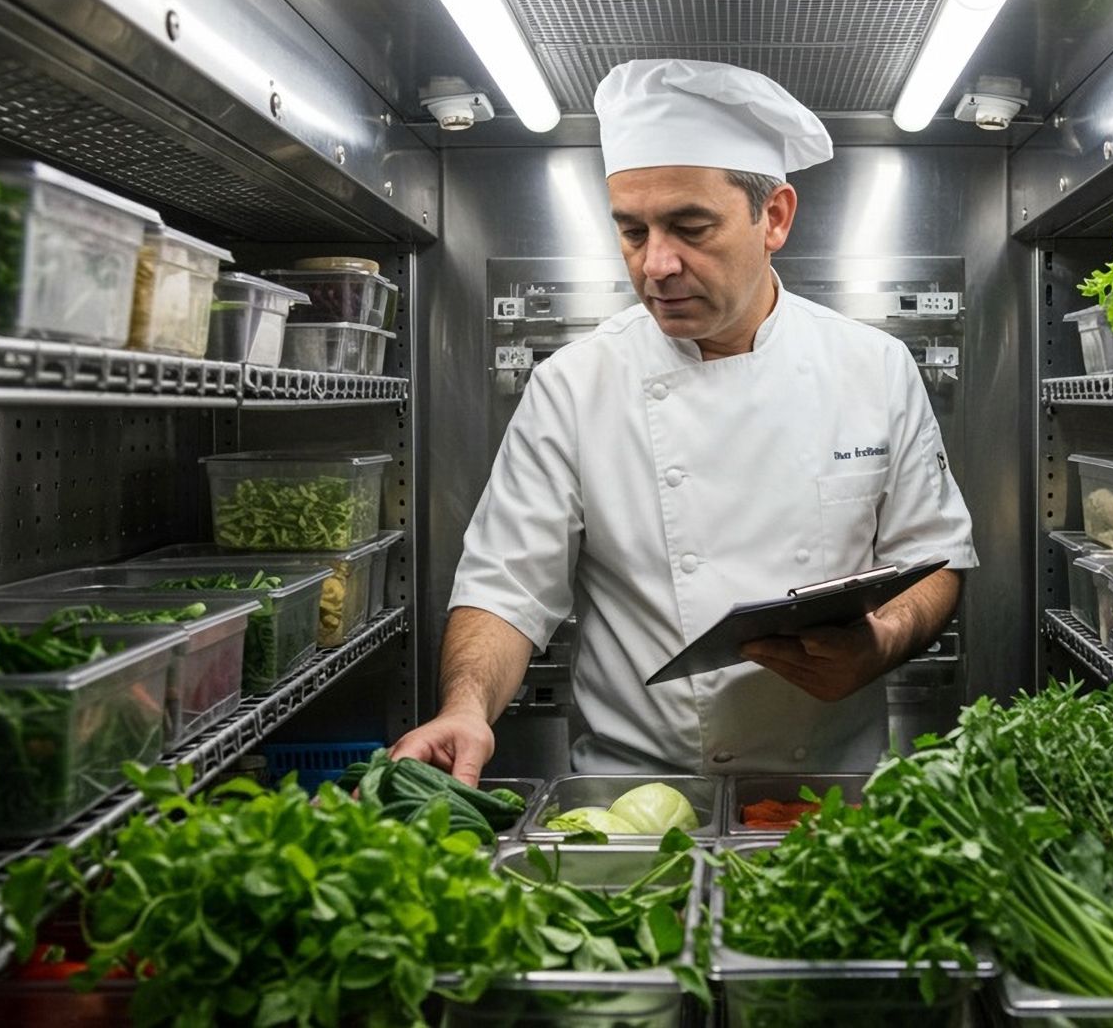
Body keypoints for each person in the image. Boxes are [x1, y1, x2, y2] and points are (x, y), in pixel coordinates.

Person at [389, 58, 977, 781]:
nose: (656, 265)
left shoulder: (875, 367)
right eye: (632, 232)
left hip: (834, 797)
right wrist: (467, 708)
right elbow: (505, 587)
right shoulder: (574, 386)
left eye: (691, 227)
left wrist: (882, 640)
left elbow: (936, 557)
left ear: (776, 218)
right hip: (632, 797)